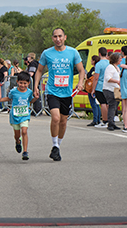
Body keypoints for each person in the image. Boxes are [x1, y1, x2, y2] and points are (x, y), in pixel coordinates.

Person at [34, 28, 85, 161]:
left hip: (67, 93)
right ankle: (54, 144)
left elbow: (81, 70)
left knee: (63, 122)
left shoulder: (73, 52)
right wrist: (36, 86)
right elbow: (39, 71)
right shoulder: (47, 53)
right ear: (52, 38)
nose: (58, 39)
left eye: (60, 36)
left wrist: (80, 83)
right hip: (52, 91)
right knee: (55, 118)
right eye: (55, 37)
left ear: (65, 37)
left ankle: (57, 147)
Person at [0, 71, 37, 160]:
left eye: (25, 83)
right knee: (17, 135)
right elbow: (9, 98)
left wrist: (36, 98)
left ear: (28, 83)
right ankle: (17, 141)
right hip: (15, 116)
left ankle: (25, 151)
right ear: (17, 82)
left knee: (24, 131)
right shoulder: (13, 91)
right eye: (21, 83)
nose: (22, 85)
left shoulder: (29, 92)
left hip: (24, 115)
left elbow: (31, 101)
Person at [102, 53, 122, 131]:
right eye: (120, 58)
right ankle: (110, 122)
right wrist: (117, 81)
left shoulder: (116, 68)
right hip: (109, 89)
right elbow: (108, 78)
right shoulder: (110, 67)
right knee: (112, 105)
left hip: (115, 89)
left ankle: (112, 122)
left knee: (114, 106)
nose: (121, 60)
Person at [91, 47, 110, 128]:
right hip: (108, 85)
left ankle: (104, 120)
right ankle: (109, 119)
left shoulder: (99, 64)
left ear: (99, 54)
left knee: (103, 103)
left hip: (100, 85)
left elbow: (96, 77)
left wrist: (93, 89)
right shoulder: (109, 63)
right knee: (108, 103)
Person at [86, 55, 101, 126]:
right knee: (97, 104)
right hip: (98, 88)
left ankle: (95, 120)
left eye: (92, 60)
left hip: (92, 88)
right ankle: (98, 119)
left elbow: (89, 76)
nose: (91, 61)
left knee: (94, 104)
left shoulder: (94, 69)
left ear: (94, 61)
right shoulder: (99, 68)